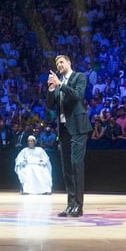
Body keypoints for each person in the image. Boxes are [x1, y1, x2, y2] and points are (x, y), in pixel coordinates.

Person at [46, 54, 92, 217]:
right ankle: (70, 204)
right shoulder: (58, 84)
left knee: (76, 164)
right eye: (57, 63)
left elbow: (78, 96)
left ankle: (78, 206)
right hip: (64, 129)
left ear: (69, 63)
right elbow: (50, 106)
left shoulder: (78, 77)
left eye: (61, 62)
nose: (59, 64)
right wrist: (51, 90)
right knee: (67, 168)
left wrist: (60, 84)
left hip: (78, 127)